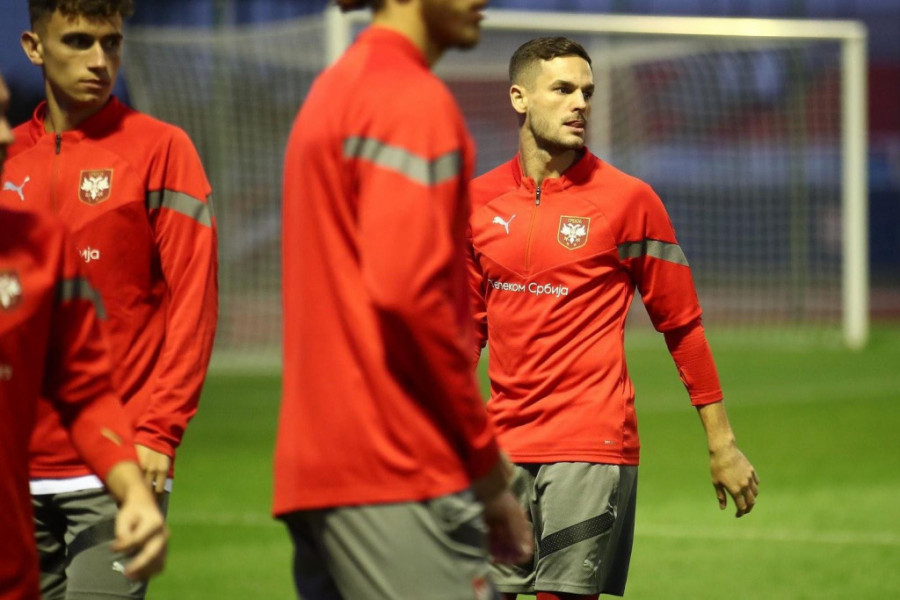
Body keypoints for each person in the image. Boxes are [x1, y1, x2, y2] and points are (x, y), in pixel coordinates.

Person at [467, 37, 760, 600]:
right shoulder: (476, 203)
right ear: (519, 98)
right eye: (563, 89)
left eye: (587, 91)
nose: (580, 103)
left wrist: (722, 444)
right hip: (499, 448)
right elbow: (464, 334)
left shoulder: (630, 201)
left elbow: (682, 326)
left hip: (590, 445)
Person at [274, 0, 532, 598]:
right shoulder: (410, 99)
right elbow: (410, 298)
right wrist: (485, 464)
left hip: (316, 469)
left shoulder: (333, 90)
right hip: (395, 464)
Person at [1, 1, 218, 597]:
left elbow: (194, 303)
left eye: (112, 43)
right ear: (34, 47)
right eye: (78, 41)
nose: (100, 61)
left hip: (117, 466)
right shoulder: (7, 154)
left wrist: (160, 432)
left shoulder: (162, 149)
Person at [0, 71, 168, 600]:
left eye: (3, 113)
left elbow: (83, 388)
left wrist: (131, 488)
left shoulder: (39, 246)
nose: (4, 134)